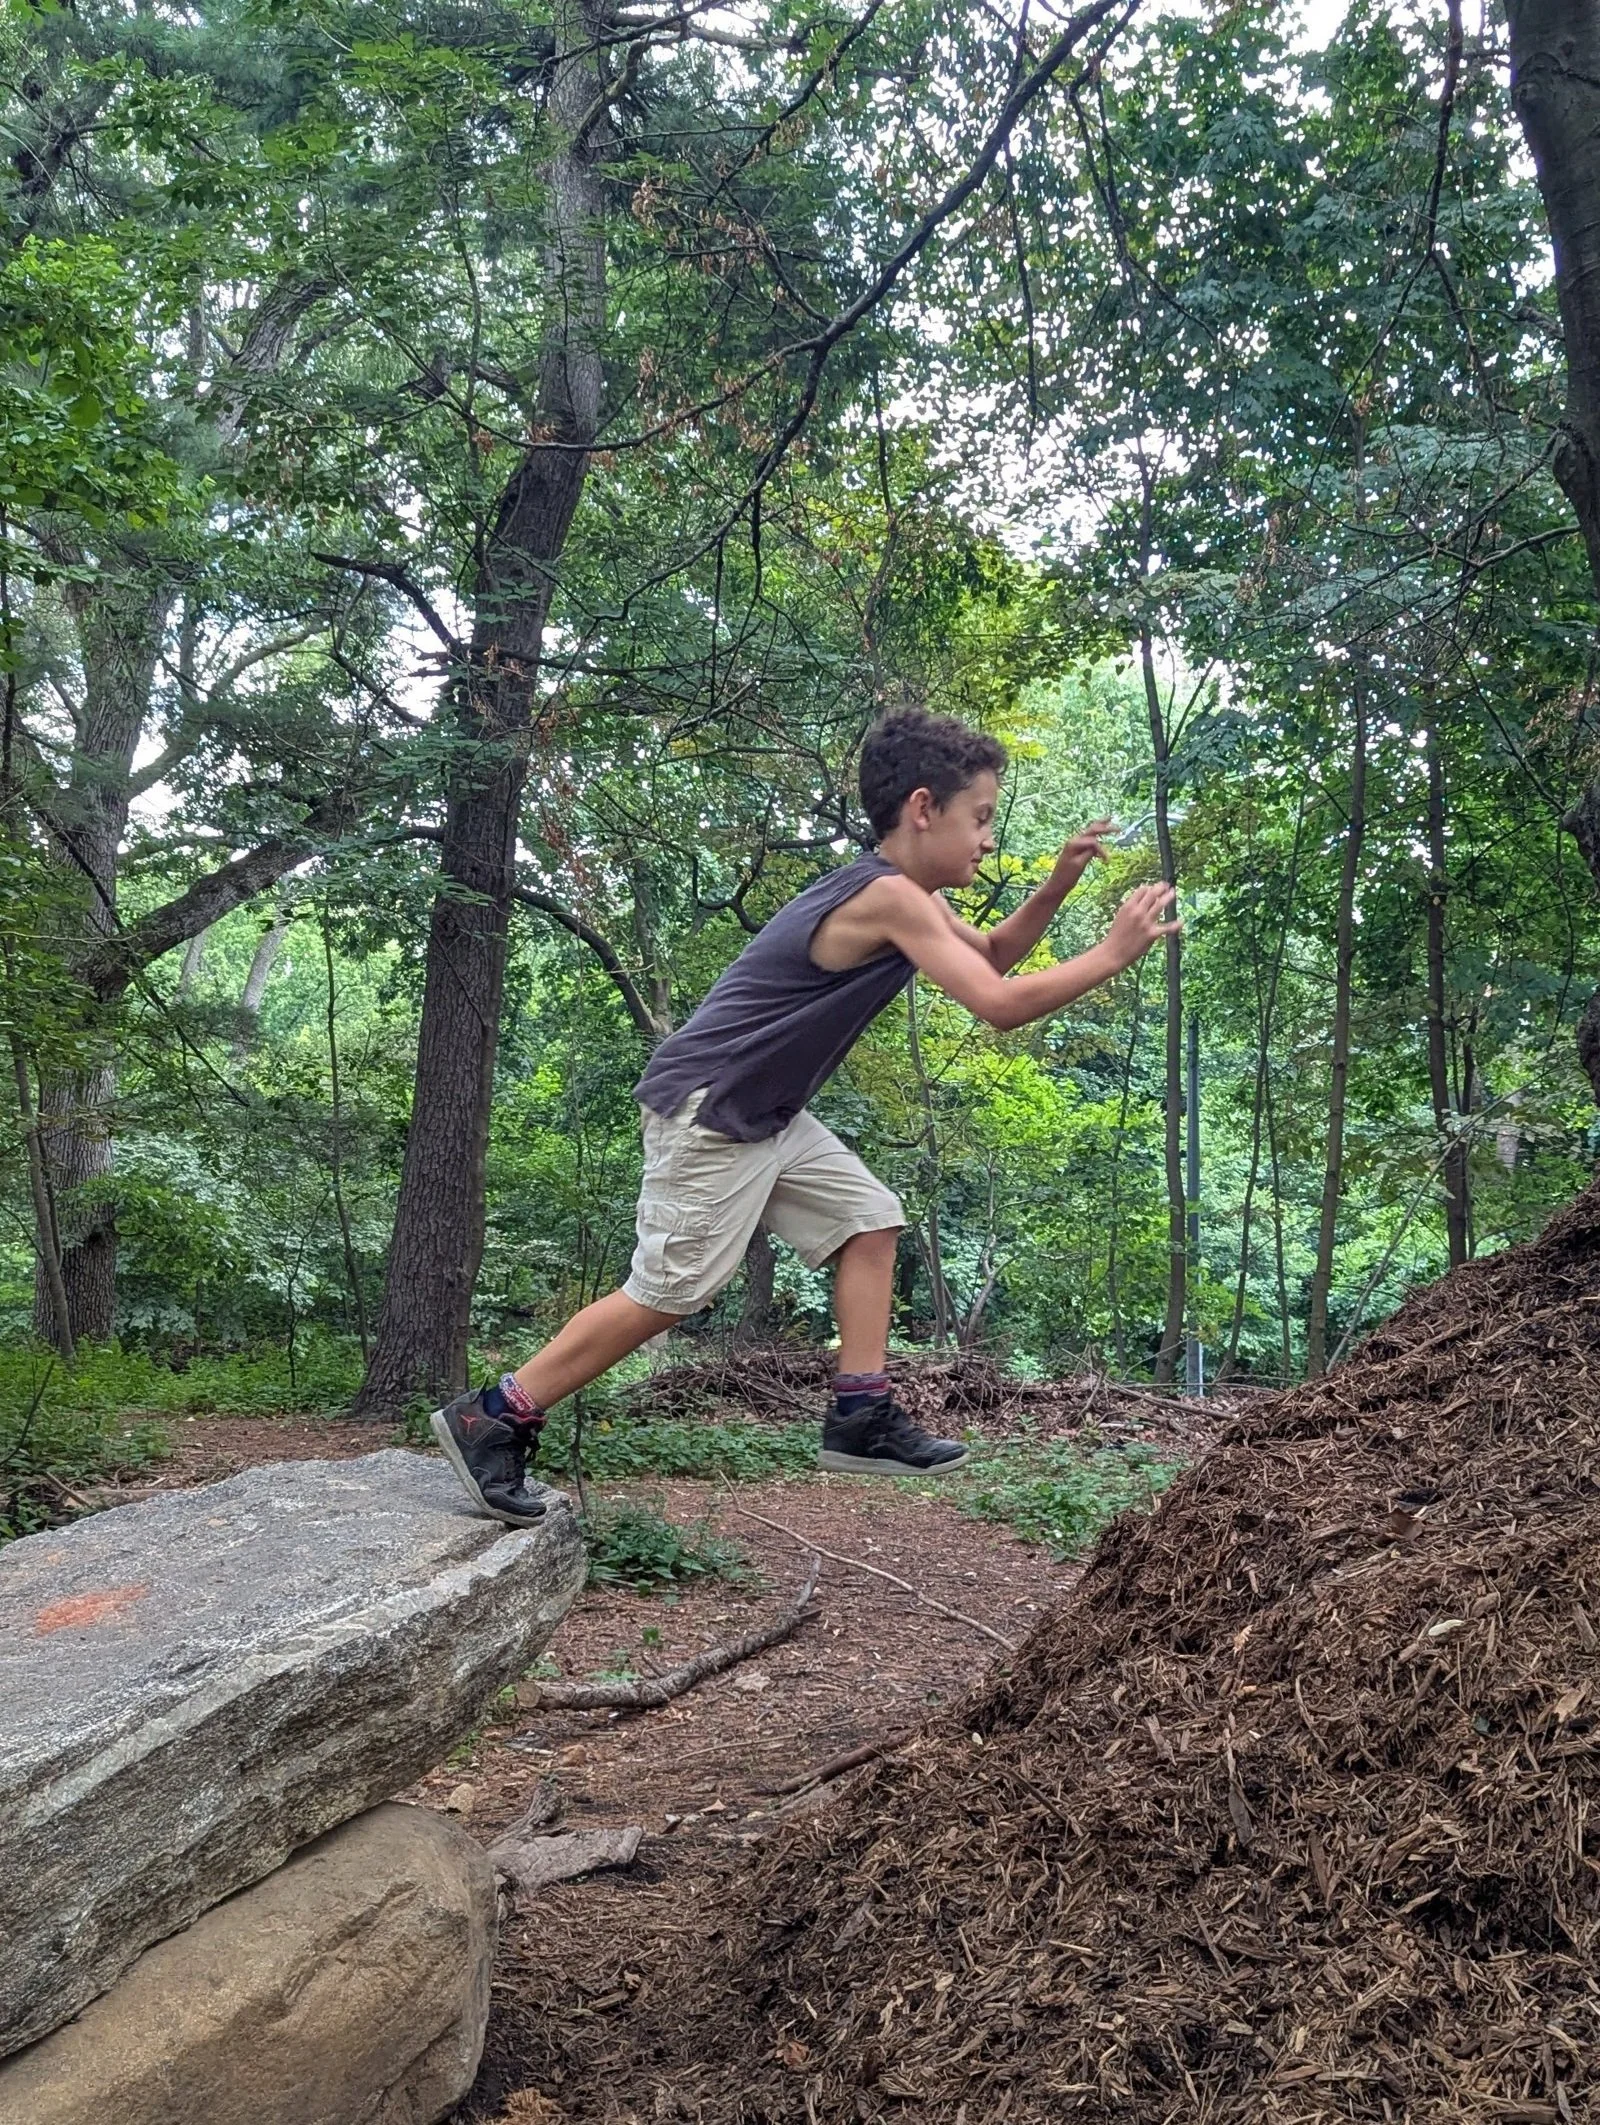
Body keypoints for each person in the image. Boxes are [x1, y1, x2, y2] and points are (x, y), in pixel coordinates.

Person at [432, 707, 1179, 1524]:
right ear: (924, 808)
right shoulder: (890, 897)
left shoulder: (904, 895)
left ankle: (859, 1410)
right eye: (982, 818)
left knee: (869, 1220)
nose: (988, 839)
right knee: (668, 1292)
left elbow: (992, 955)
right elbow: (998, 1004)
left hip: (765, 1111)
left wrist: (1059, 882)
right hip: (711, 1106)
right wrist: (1112, 953)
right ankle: (493, 1415)